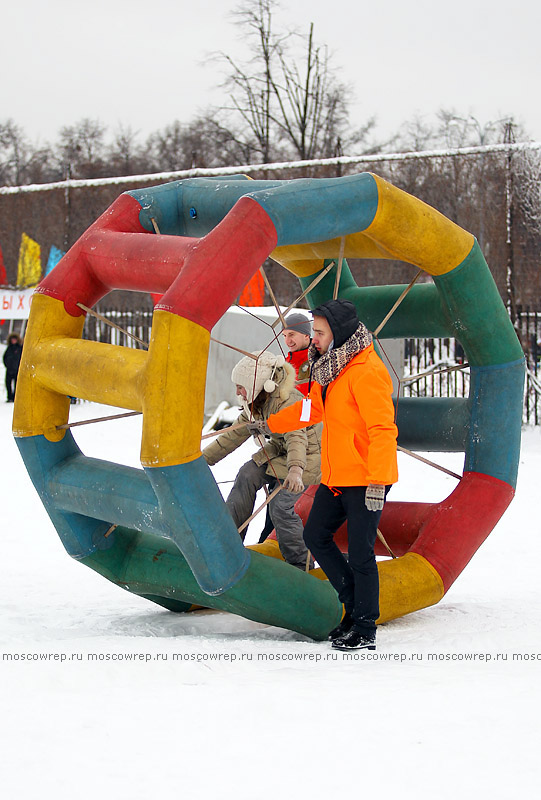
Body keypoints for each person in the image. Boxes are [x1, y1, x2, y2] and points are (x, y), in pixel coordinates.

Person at [253, 299, 398, 650]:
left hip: (366, 479)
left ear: (339, 332)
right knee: (316, 536)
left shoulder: (366, 370)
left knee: (362, 554)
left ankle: (364, 626)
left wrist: (378, 480)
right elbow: (311, 409)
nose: (313, 338)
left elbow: (383, 428)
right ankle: (352, 603)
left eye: (319, 332)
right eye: (313, 332)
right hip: (337, 477)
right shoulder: (328, 369)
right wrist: (269, 423)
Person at [202, 349, 322, 570]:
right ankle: (228, 544)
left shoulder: (287, 400)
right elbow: (234, 434)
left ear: (256, 384)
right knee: (247, 474)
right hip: (279, 451)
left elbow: (297, 437)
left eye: (241, 386)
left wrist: (296, 469)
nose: (237, 391)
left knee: (280, 506)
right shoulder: (255, 403)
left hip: (307, 457)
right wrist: (202, 461)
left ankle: (301, 564)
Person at [280, 312, 311, 396]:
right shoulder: (284, 364)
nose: (287, 341)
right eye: (284, 336)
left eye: (291, 335)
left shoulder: (319, 360)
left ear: (306, 335)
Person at [3, 332, 23, 403]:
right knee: (8, 384)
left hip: (17, 369)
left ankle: (15, 397)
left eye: (15, 339)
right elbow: (4, 358)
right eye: (12, 339)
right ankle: (9, 397)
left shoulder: (20, 348)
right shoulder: (9, 348)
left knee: (16, 385)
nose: (13, 341)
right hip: (9, 370)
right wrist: (7, 365)